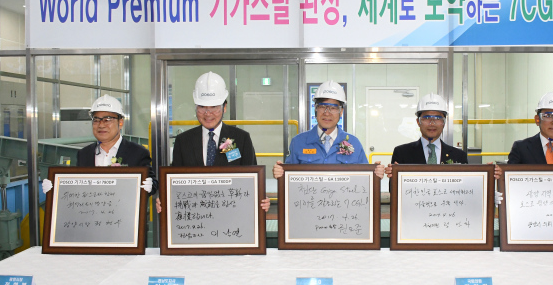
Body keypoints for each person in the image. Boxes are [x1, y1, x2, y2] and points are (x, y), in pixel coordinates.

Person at [157, 71, 269, 212]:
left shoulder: (241, 139)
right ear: (196, 107)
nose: (208, 114)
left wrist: (261, 199)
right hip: (195, 216)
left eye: (214, 107)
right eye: (202, 107)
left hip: (231, 213)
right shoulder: (183, 141)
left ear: (224, 107)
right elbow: (174, 180)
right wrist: (164, 198)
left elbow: (252, 179)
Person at [42, 94, 158, 194]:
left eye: (107, 119)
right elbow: (77, 187)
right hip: (91, 216)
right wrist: (57, 187)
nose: (101, 125)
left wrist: (150, 185)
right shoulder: (84, 154)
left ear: (120, 122)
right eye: (96, 120)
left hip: (125, 217)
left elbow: (153, 183)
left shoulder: (137, 152)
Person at [273, 80, 384, 178]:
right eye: (322, 107)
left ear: (341, 112)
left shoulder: (353, 143)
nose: (327, 113)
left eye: (333, 108)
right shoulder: (298, 142)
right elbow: (288, 179)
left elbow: (364, 178)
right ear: (316, 109)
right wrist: (280, 173)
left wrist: (375, 174)